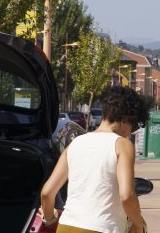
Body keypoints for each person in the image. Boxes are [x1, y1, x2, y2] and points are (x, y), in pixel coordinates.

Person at [39, 86, 150, 233]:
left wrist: (49, 218)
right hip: (102, 228)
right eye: (133, 126)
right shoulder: (122, 145)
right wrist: (138, 225)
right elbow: (126, 195)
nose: (130, 132)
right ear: (125, 119)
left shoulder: (75, 143)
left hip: (66, 226)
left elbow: (47, 192)